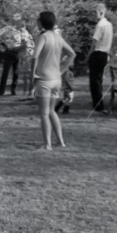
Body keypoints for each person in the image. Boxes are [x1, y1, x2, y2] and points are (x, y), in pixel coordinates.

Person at [32, 11, 76, 150]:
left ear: (41, 22)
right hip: (56, 79)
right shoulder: (58, 37)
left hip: (44, 79)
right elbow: (72, 54)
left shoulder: (43, 37)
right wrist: (62, 70)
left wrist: (33, 74)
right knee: (52, 111)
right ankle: (61, 142)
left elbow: (35, 57)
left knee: (44, 113)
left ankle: (47, 144)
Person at [88, 3, 114, 114]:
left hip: (98, 53)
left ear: (101, 12)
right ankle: (98, 104)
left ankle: (98, 105)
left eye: (96, 12)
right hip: (105, 54)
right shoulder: (109, 25)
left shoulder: (100, 25)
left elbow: (94, 42)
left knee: (94, 81)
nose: (95, 15)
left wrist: (88, 55)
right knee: (98, 80)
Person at [0, 14, 24, 96]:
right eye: (15, 19)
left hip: (17, 51)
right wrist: (4, 43)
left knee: (16, 72)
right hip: (9, 51)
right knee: (5, 72)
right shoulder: (8, 28)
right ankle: (1, 91)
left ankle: (13, 90)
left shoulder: (21, 30)